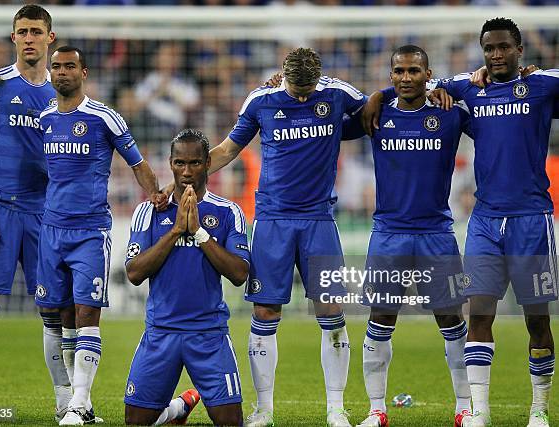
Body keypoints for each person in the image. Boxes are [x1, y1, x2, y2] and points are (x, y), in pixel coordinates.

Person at [370, 18, 558, 427]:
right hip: (485, 219)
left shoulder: (542, 85)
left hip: (532, 218)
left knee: (537, 318)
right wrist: (377, 97)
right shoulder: (469, 87)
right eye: (489, 48)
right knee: (479, 314)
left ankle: (539, 411)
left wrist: (538, 70)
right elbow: (414, 84)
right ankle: (479, 412)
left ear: (520, 50)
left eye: (504, 47)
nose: (496, 55)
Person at [206, 47, 367, 427]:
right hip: (272, 220)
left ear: (319, 78)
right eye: (295, 88)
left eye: (307, 89)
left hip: (319, 220)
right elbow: (229, 148)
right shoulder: (262, 99)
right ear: (282, 74)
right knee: (264, 312)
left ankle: (335, 407)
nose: (300, 96)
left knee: (331, 312)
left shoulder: (337, 92)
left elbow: (373, 110)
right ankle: (264, 409)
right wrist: (184, 179)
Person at [35, 46, 164, 426]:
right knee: (57, 315)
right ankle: (72, 402)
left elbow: (138, 163)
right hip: (51, 229)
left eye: (69, 66)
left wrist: (157, 197)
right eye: (55, 66)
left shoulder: (103, 117)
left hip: (90, 231)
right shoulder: (44, 119)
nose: (61, 72)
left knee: (87, 312)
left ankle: (79, 400)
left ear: (84, 72)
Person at [345, 45, 473, 427]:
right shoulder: (377, 113)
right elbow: (328, 109)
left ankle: (465, 407)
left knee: (450, 320)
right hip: (389, 233)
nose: (405, 77)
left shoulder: (449, 114)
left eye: (414, 71)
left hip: (437, 233)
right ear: (390, 76)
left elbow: (484, 101)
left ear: (427, 73)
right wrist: (375, 96)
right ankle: (376, 409)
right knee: (380, 318)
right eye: (398, 71)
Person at [0, 4, 76, 422]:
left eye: (36, 31)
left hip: (46, 217)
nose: (28, 37)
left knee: (54, 310)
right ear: (14, 38)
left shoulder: (62, 92)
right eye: (22, 31)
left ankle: (67, 403)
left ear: (50, 38)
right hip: (0, 212)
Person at [124, 129, 249, 426]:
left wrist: (199, 233)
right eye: (180, 163)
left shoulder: (228, 212)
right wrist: (177, 230)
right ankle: (179, 407)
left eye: (194, 163)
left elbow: (239, 273)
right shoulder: (149, 212)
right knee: (135, 422)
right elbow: (134, 272)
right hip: (160, 333)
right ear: (170, 164)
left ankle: (181, 405)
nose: (187, 171)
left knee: (231, 423)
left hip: (209, 335)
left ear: (208, 163)